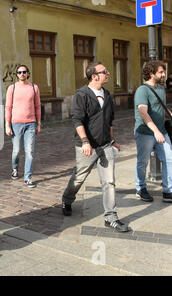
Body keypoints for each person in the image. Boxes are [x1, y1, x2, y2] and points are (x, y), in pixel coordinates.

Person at [62, 62, 131, 233]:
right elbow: (77, 120)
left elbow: (110, 121)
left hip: (105, 145)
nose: (108, 73)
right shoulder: (82, 95)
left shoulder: (107, 94)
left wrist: (113, 140)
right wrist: (85, 142)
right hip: (87, 146)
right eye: (104, 72)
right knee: (79, 178)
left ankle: (111, 216)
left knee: (109, 181)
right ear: (94, 76)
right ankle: (67, 199)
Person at [134, 60, 172, 203]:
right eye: (161, 72)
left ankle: (168, 191)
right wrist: (156, 132)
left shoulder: (161, 89)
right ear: (151, 73)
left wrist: (170, 113)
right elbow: (143, 113)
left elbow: (161, 106)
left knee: (169, 159)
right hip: (146, 133)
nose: (163, 75)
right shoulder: (142, 90)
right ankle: (141, 188)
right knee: (142, 162)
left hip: (162, 131)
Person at [5, 65, 41, 187]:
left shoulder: (34, 87)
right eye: (19, 72)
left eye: (24, 72)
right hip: (16, 124)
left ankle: (28, 177)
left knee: (29, 152)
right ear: (17, 74)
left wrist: (38, 123)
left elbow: (37, 106)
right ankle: (15, 169)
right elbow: (8, 107)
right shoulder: (12, 88)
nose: (22, 74)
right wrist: (7, 125)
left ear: (28, 73)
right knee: (16, 151)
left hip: (30, 123)